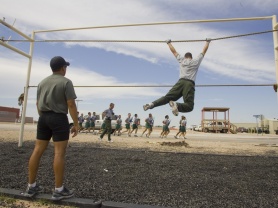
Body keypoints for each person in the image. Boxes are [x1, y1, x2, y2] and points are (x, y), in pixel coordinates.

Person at [24, 56, 78, 201]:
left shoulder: (42, 83)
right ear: (62, 68)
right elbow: (71, 104)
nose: (65, 69)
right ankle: (59, 190)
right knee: (59, 153)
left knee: (37, 151)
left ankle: (31, 186)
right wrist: (76, 124)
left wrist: (43, 117)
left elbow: (37, 103)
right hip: (59, 118)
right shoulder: (66, 82)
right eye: (65, 67)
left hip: (43, 118)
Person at [143, 38, 211, 116]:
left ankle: (151, 104)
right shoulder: (196, 61)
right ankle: (177, 105)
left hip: (180, 82)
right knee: (189, 106)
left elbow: (174, 52)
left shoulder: (182, 60)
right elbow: (203, 51)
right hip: (189, 83)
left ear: (185, 57)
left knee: (167, 97)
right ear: (191, 57)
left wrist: (168, 43)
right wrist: (207, 42)